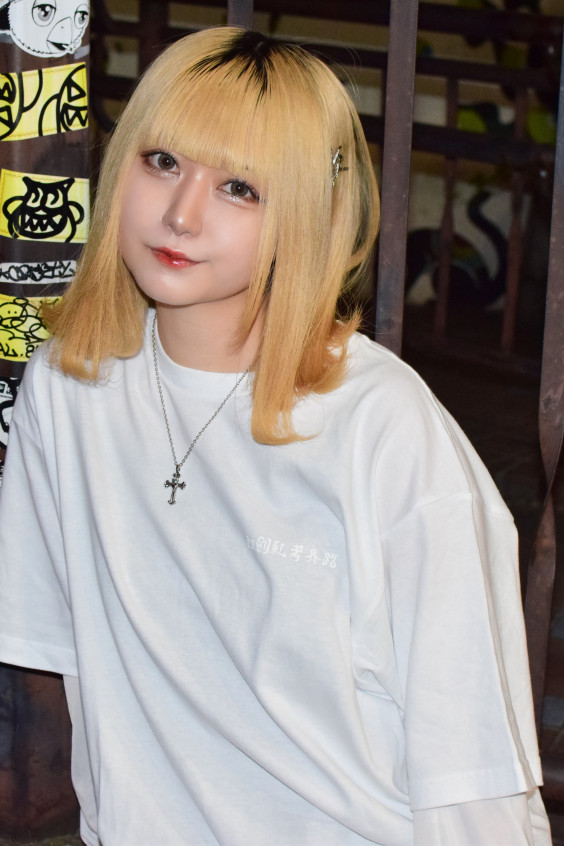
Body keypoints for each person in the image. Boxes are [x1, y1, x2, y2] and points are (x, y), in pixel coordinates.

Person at [0, 26, 552, 846]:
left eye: (240, 188)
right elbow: (62, 659)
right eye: (162, 162)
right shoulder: (68, 385)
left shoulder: (384, 430)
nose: (181, 214)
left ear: (305, 213)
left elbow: (470, 770)